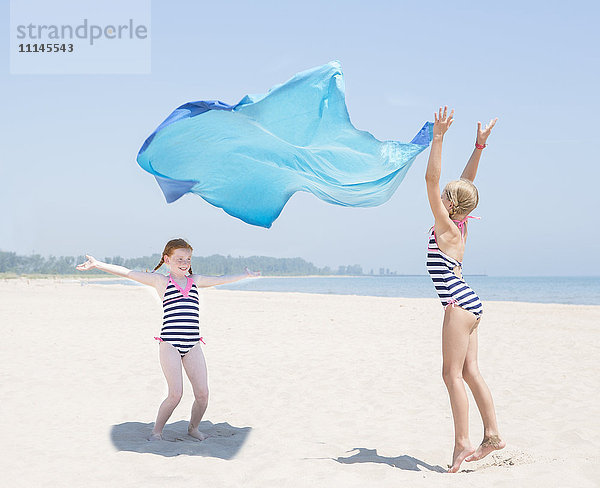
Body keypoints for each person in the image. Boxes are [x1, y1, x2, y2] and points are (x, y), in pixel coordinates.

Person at [76, 238, 259, 441]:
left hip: (193, 344)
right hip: (170, 343)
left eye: (188, 259)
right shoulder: (161, 281)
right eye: (179, 258)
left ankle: (193, 428)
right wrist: (97, 264)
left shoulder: (195, 280)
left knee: (203, 394)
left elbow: (221, 278)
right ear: (167, 260)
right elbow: (127, 272)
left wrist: (245, 274)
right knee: (175, 394)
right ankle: (157, 431)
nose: (184, 263)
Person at [425, 107, 505, 472]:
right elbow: (464, 185)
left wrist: (438, 137)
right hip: (471, 302)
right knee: (470, 370)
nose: (439, 195)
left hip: (458, 304)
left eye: (444, 196)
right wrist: (478, 146)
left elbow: (432, 179)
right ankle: (493, 435)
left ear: (450, 205)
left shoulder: (447, 226)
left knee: (451, 374)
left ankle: (462, 445)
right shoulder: (459, 221)